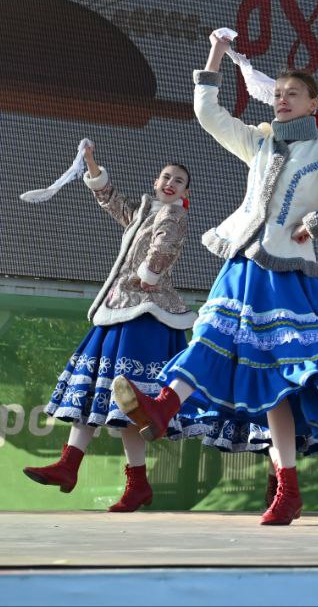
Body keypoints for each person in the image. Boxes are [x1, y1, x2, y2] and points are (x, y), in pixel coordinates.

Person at [112, 29, 318, 526]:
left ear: (312, 104)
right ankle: (166, 408)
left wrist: (316, 221)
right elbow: (208, 114)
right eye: (277, 93)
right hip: (242, 259)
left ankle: (281, 485)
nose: (282, 100)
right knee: (215, 339)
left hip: (283, 272)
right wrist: (216, 55)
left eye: (293, 94)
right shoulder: (260, 143)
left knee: (281, 384)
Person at [23, 143, 195, 512]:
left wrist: (145, 276)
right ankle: (74, 466)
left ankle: (127, 481)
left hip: (143, 314)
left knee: (127, 401)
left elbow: (162, 252)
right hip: (119, 309)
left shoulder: (173, 216)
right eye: (166, 177)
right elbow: (110, 199)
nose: (170, 183)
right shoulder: (145, 211)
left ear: (185, 192)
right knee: (106, 396)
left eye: (178, 181)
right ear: (156, 180)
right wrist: (89, 163)